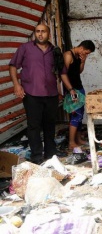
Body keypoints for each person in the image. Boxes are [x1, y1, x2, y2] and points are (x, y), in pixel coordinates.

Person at [9, 24, 67, 164]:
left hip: (51, 94)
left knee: (49, 125)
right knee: (34, 126)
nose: (40, 34)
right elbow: (12, 66)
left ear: (49, 34)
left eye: (43, 32)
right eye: (38, 31)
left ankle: (50, 154)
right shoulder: (25, 48)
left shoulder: (55, 51)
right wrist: (17, 85)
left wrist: (66, 90)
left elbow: (62, 72)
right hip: (31, 94)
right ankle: (36, 157)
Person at [60, 40, 96, 152]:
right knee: (75, 115)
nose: (86, 54)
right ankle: (71, 142)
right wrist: (70, 90)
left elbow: (78, 72)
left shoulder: (78, 56)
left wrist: (83, 62)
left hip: (79, 88)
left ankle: (78, 139)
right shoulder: (68, 55)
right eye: (86, 52)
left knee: (80, 115)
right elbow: (63, 74)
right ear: (81, 48)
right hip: (73, 90)